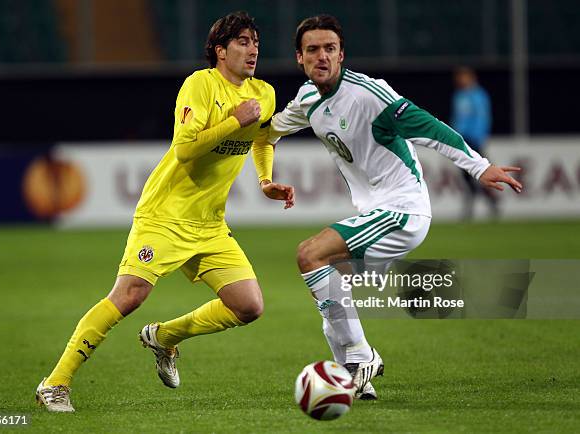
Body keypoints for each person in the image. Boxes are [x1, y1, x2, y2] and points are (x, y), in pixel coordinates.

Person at [35, 11, 294, 413]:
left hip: (209, 223)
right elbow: (186, 148)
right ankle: (55, 383)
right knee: (129, 296)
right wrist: (231, 121)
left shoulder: (264, 93)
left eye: (256, 41)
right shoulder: (200, 85)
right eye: (242, 41)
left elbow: (263, 139)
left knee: (249, 306)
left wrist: (264, 180)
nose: (253, 48)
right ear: (220, 51)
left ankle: (164, 337)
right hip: (165, 215)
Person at [262, 15, 522, 400]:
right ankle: (355, 381)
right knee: (331, 294)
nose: (322, 56)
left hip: (403, 210)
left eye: (330, 49)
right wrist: (234, 138)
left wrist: (479, 165)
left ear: (342, 54)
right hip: (374, 212)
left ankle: (363, 357)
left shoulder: (369, 93)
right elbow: (269, 130)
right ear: (299, 58)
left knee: (309, 254)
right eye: (313, 49)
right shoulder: (308, 99)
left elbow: (429, 127)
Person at [451, 66, 498, 219]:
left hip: (473, 140)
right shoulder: (458, 95)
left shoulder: (478, 95)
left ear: (471, 77)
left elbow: (483, 117)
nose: (460, 80)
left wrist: (478, 137)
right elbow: (457, 118)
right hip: (461, 141)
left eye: (463, 76)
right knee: (466, 176)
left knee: (480, 172)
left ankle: (490, 201)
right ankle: (475, 204)